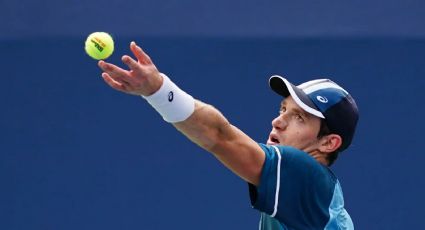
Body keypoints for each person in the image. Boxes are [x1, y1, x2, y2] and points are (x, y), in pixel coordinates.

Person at [98, 41, 359, 230]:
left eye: (299, 117)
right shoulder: (319, 195)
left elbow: (219, 136)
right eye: (283, 109)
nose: (278, 121)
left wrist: (158, 91)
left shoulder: (304, 173)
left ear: (328, 143)